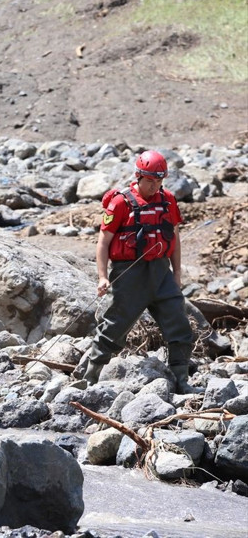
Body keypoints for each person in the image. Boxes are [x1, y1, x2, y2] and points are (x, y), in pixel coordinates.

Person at [83, 150, 200, 394]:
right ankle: (90, 379)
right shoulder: (120, 202)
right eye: (149, 181)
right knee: (114, 327)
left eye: (158, 181)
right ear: (138, 176)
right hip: (129, 275)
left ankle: (181, 380)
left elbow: (175, 238)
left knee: (179, 323)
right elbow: (103, 243)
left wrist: (177, 274)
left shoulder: (168, 200)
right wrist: (102, 276)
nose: (154, 186)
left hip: (161, 274)